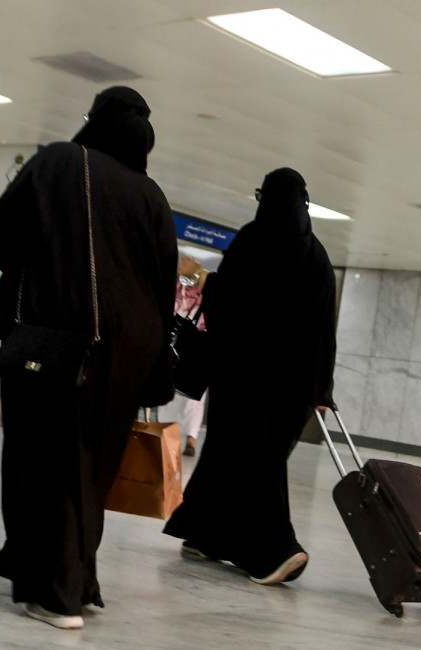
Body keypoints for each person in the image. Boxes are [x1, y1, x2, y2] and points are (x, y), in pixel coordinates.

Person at [0, 86, 177, 630]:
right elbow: (163, 287)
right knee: (91, 466)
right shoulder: (152, 195)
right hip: (131, 349)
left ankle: (57, 594)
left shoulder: (63, 161)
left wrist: (48, 263)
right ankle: (78, 579)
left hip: (64, 337)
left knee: (46, 458)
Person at [163, 168, 338, 586]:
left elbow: (226, 306)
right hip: (291, 390)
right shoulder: (318, 258)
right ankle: (203, 534)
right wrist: (321, 389)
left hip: (242, 378)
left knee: (244, 460)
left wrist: (214, 288)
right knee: (250, 458)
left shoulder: (253, 241)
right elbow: (323, 332)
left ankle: (275, 551)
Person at [160, 262, 208, 457]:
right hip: (198, 349)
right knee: (194, 401)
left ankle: (170, 436)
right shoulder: (205, 291)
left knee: (170, 394)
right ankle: (190, 438)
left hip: (177, 346)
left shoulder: (176, 287)